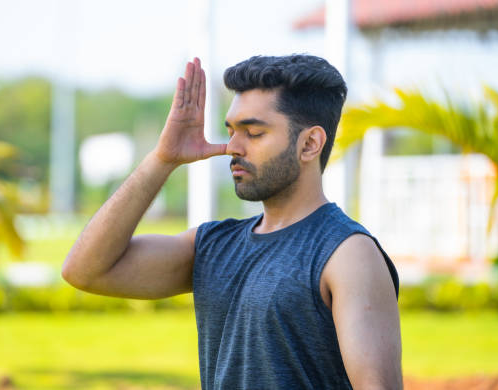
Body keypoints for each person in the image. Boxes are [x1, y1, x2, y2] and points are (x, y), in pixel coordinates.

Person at [62, 54, 402, 390]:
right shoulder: (212, 246)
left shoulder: (348, 253)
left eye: (253, 133)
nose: (232, 147)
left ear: (310, 144)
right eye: (231, 130)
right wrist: (163, 159)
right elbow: (84, 270)